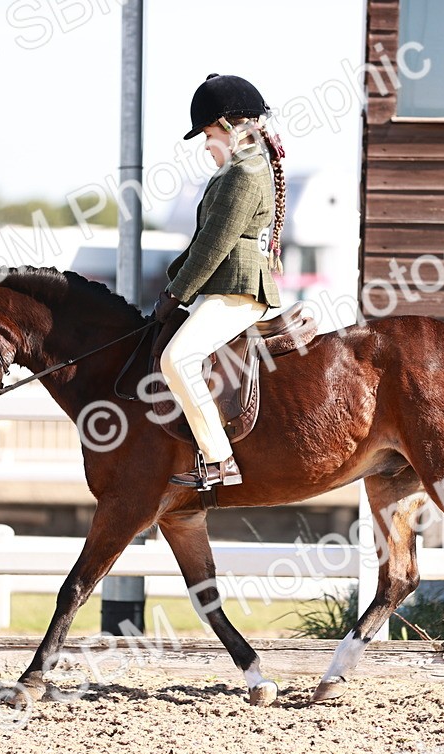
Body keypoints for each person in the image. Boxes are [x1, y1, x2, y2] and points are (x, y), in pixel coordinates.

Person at [153, 73, 286, 490]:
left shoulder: (244, 174)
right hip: (225, 285)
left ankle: (219, 459)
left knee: (177, 360)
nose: (207, 146)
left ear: (230, 127)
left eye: (209, 134)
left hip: (239, 288)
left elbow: (213, 245)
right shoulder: (239, 168)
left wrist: (176, 293)